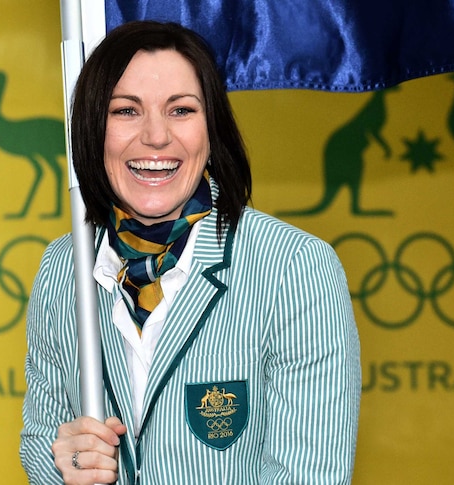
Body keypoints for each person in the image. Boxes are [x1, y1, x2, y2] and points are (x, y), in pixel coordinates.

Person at [20, 20, 361, 485]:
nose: (156, 136)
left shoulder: (293, 267)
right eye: (125, 111)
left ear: (211, 128)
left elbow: (309, 474)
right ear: (90, 130)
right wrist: (66, 467)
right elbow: (42, 442)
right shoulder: (64, 268)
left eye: (181, 110)